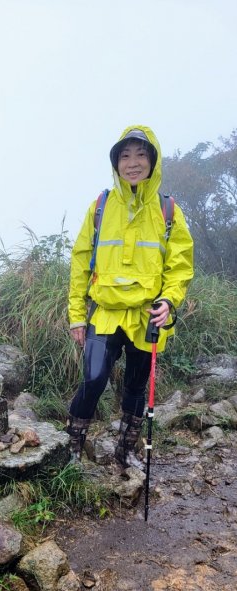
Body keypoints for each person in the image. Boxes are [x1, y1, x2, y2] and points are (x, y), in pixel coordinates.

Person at [67, 124, 193, 468]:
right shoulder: (100, 206)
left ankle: (124, 453)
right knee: (92, 380)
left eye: (141, 154)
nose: (133, 162)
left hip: (146, 317)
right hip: (104, 313)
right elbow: (80, 262)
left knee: (136, 390)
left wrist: (169, 301)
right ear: (116, 161)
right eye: (125, 155)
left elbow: (179, 267)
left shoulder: (169, 211)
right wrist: (77, 314)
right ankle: (71, 449)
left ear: (153, 161)